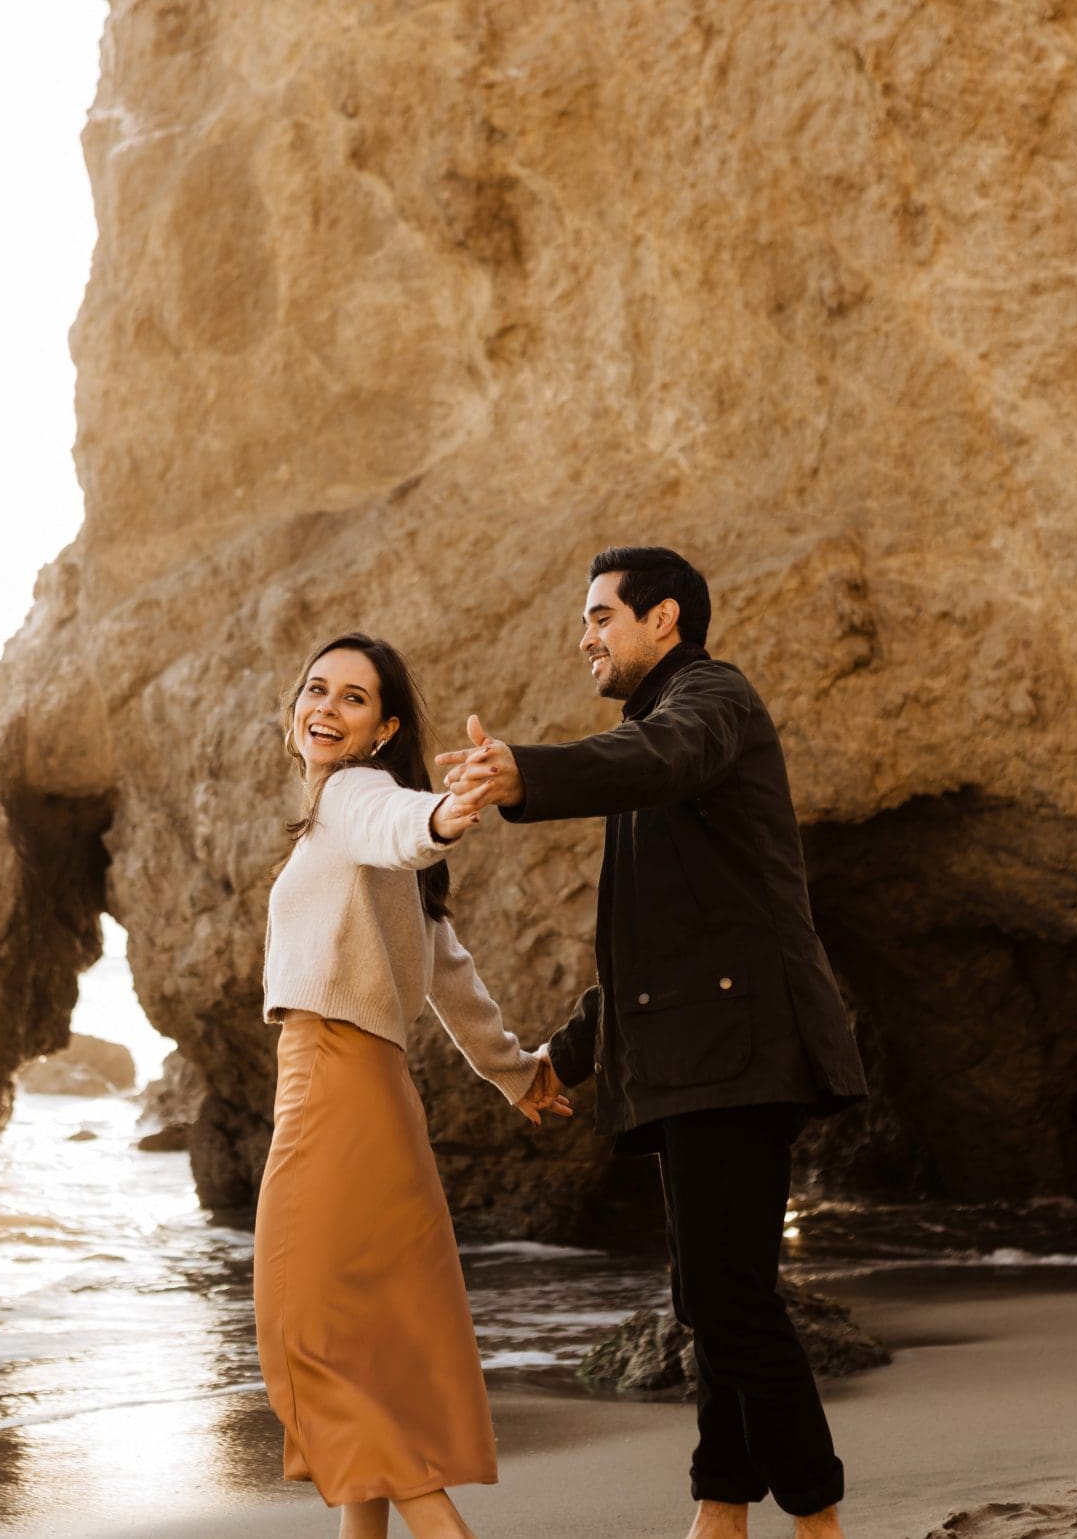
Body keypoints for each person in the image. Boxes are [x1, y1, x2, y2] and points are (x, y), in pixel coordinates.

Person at [438, 548, 867, 1539]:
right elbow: (648, 958)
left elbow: (660, 755)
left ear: (663, 619)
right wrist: (561, 1059)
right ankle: (721, 1510)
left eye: (600, 616)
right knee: (711, 1296)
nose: (584, 636)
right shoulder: (657, 736)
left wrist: (525, 773)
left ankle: (816, 1521)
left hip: (742, 1056)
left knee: (726, 1302)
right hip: (702, 1060)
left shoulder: (710, 703)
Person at [255, 631, 572, 1539]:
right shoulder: (348, 827)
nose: (327, 706)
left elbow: (401, 827)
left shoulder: (360, 797)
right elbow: (450, 973)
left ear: (383, 726)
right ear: (293, 710)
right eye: (316, 689)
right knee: (365, 1352)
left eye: (355, 698)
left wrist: (441, 815)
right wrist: (517, 1075)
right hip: (381, 1098)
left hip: (327, 1084)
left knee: (305, 1345)